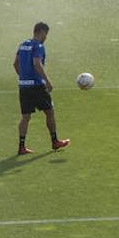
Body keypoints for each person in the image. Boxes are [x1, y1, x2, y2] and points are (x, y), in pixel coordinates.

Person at [15, 21, 70, 155]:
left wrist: (24, 77)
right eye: (46, 34)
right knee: (50, 112)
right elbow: (37, 63)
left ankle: (21, 147)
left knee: (25, 117)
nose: (46, 37)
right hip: (37, 86)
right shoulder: (38, 46)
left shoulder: (23, 45)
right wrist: (47, 81)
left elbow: (15, 63)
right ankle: (55, 141)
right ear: (41, 32)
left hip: (23, 86)